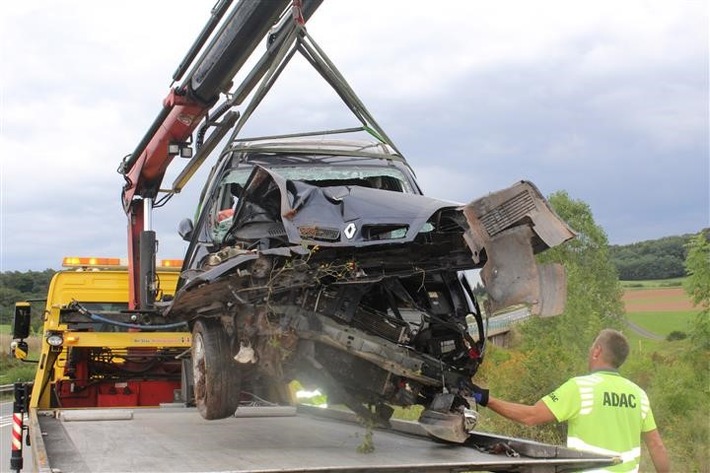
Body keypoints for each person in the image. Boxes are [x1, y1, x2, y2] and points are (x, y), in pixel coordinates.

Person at [471, 329, 670, 473]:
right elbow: (657, 446)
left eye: (592, 346)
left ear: (597, 351)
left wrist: (485, 398)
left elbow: (531, 416)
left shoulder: (581, 388)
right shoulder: (639, 395)